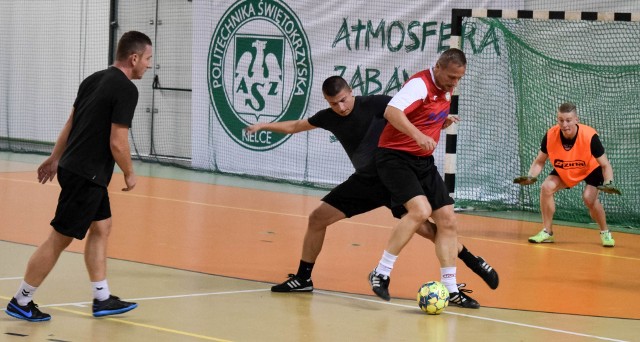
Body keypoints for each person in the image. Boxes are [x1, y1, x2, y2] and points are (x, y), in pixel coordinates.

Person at [246, 75, 497, 303]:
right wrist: (264, 125)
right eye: (334, 103)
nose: (341, 107)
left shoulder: (378, 103)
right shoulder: (328, 117)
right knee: (317, 218)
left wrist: (440, 122)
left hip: (394, 176)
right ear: (327, 102)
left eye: (343, 100)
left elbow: (413, 117)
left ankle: (471, 262)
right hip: (366, 181)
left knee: (430, 230)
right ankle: (303, 278)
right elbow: (296, 126)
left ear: (351, 92)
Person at [5, 31, 153, 322]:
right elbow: (117, 141)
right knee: (59, 239)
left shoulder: (94, 79)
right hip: (87, 174)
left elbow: (71, 122)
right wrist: (130, 173)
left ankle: (102, 298)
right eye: (148, 59)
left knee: (102, 227)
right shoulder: (126, 89)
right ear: (134, 58)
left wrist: (55, 157)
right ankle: (21, 300)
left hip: (78, 169)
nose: (149, 65)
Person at [368, 48, 480, 308]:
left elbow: (424, 114)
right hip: (394, 158)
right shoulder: (420, 84)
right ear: (438, 67)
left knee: (448, 221)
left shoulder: (445, 88)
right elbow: (392, 112)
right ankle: (381, 272)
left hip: (422, 162)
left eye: (459, 78)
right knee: (420, 211)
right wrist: (418, 135)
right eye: (451, 77)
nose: (455, 83)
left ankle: (451, 289)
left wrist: (441, 121)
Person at [513, 102, 620, 247]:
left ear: (577, 120)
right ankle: (547, 232)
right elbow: (539, 161)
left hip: (590, 168)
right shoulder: (551, 135)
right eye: (561, 120)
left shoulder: (589, 136)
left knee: (589, 199)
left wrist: (609, 182)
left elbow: (605, 164)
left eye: (568, 120)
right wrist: (530, 176)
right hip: (566, 167)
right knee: (546, 187)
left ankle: (605, 232)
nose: (564, 124)